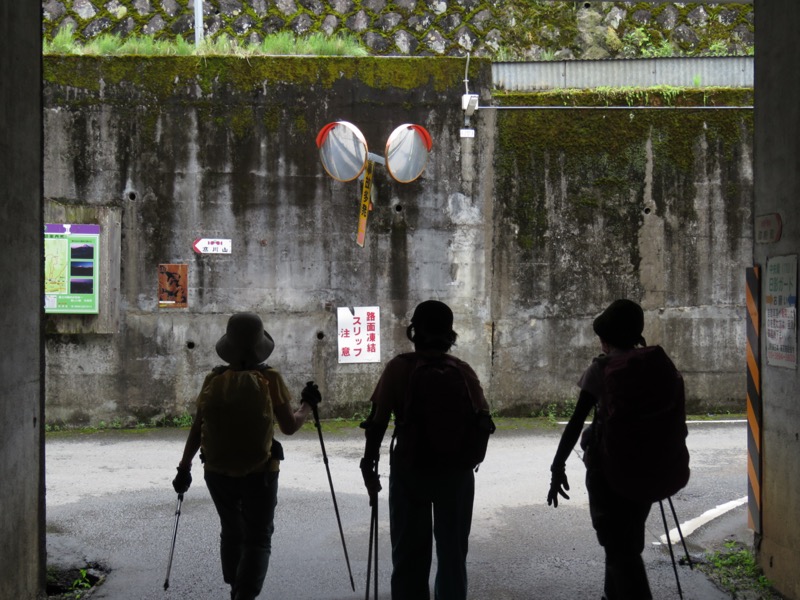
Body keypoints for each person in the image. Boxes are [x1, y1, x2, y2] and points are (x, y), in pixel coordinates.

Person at [172, 312, 321, 600]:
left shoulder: (213, 379)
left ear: (229, 346)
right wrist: (306, 406)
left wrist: (184, 467)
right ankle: (244, 594)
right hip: (261, 473)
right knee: (258, 537)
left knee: (231, 531)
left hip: (216, 471)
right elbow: (289, 426)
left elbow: (197, 428)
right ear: (259, 346)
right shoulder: (270, 377)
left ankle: (234, 587)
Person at [359, 300, 492, 600]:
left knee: (408, 554)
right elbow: (483, 419)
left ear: (414, 331)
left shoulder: (398, 368)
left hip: (410, 468)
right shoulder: (463, 371)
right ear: (450, 334)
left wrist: (369, 463)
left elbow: (377, 422)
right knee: (452, 555)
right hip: (456, 473)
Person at [547, 299, 657, 600]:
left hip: (609, 474)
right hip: (646, 469)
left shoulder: (602, 369)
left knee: (621, 551)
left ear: (605, 338)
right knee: (627, 543)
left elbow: (575, 423)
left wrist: (558, 466)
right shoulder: (652, 364)